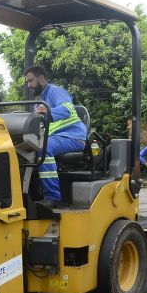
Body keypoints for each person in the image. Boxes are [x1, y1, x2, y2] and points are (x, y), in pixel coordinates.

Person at [24, 66, 87, 207]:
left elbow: (68, 109)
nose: (28, 85)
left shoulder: (56, 91)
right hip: (57, 137)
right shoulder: (40, 101)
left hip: (73, 136)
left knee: (43, 149)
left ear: (41, 78)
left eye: (31, 81)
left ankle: (52, 197)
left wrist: (48, 110)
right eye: (27, 82)